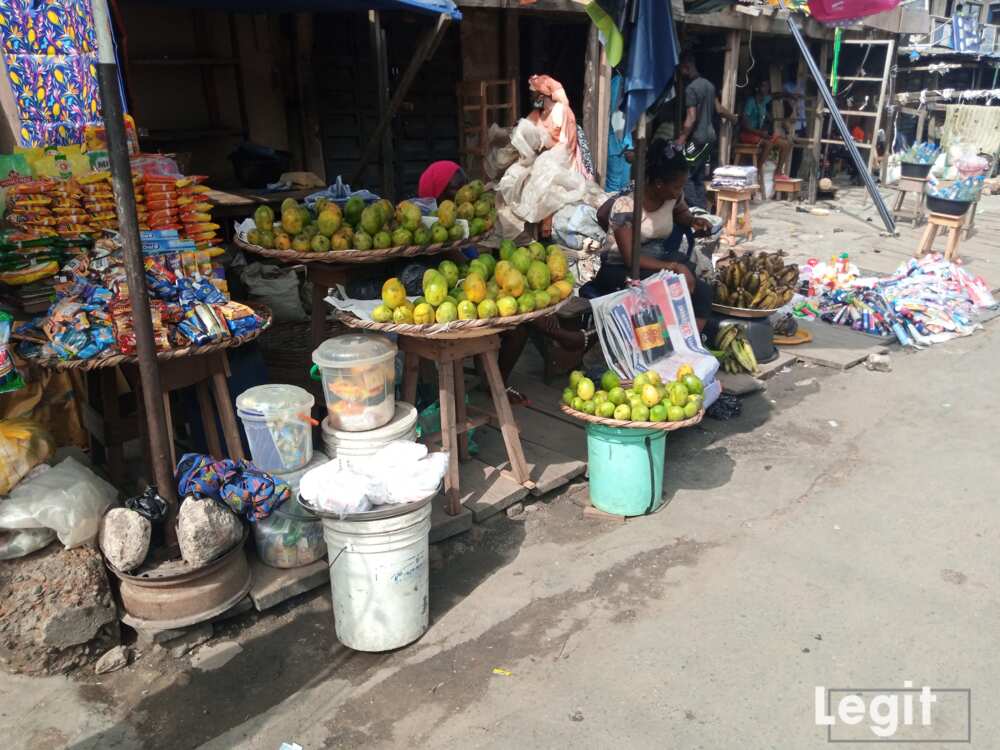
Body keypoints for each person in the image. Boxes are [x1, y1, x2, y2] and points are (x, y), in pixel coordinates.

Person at [589, 138, 715, 335]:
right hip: (620, 267)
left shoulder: (672, 197)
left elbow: (681, 213)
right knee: (667, 288)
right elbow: (631, 259)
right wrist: (674, 267)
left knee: (703, 291)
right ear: (658, 184)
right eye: (676, 187)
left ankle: (689, 343)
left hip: (656, 258)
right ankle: (660, 342)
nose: (679, 192)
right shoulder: (627, 205)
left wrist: (693, 221)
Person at [675, 52, 738, 210]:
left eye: (681, 70)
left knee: (685, 175)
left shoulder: (691, 89)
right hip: (710, 138)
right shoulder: (709, 85)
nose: (680, 75)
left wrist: (681, 138)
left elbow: (691, 117)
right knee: (698, 177)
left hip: (697, 139)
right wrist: (733, 118)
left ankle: (694, 210)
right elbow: (719, 109)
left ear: (686, 67)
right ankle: (702, 210)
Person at [526, 74, 591, 178]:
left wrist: (546, 157)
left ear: (541, 96)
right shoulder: (537, 113)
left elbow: (566, 146)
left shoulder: (562, 112)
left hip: (562, 165)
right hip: (542, 160)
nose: (530, 98)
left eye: (533, 95)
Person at [739, 80, 793, 176]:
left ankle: (778, 172)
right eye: (764, 86)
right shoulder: (751, 102)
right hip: (747, 134)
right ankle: (758, 171)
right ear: (757, 88)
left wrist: (790, 95)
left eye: (768, 86)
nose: (767, 88)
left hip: (759, 134)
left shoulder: (764, 99)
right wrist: (759, 133)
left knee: (786, 144)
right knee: (769, 144)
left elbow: (775, 95)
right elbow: (744, 125)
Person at [606, 72, 634, 193]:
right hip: (618, 144)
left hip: (624, 143)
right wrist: (624, 145)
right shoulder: (619, 81)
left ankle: (619, 210)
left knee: (623, 186)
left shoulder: (622, 81)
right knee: (614, 186)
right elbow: (616, 114)